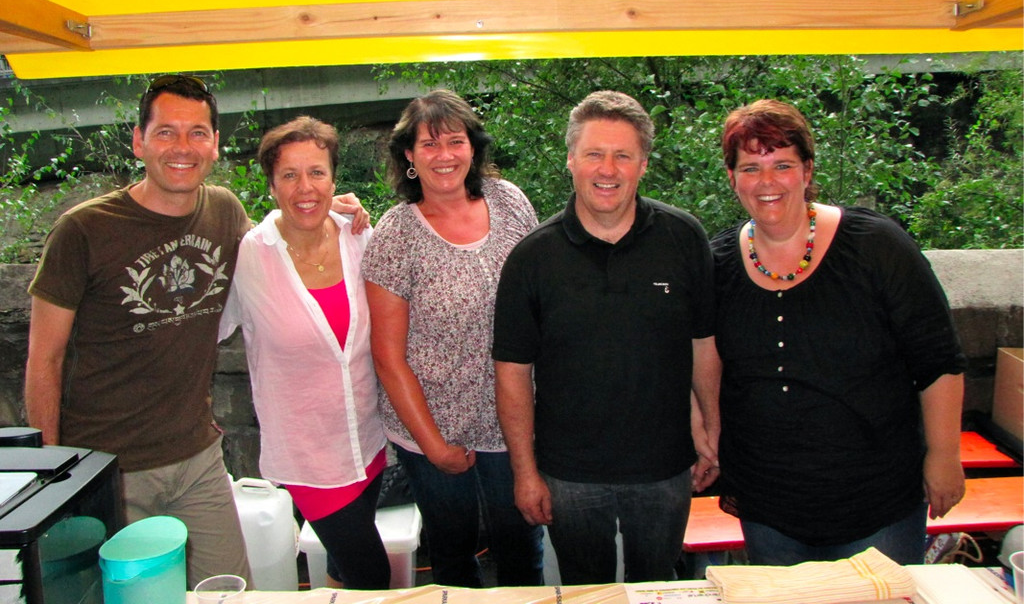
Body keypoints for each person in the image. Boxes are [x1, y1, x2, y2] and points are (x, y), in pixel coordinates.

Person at [23, 75, 367, 589]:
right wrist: (55, 478)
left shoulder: (224, 212)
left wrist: (330, 208)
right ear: (138, 141)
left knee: (230, 590)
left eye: (197, 133)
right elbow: (44, 360)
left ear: (215, 144)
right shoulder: (83, 230)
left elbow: (277, 246)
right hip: (107, 469)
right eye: (166, 132)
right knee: (126, 596)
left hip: (197, 457)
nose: (182, 147)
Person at [711, 98, 967, 566]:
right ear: (732, 178)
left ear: (807, 170)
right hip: (769, 504)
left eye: (782, 165)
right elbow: (701, 363)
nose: (767, 182)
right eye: (750, 168)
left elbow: (938, 359)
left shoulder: (875, 246)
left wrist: (944, 455)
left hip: (876, 500)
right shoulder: (718, 263)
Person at [492, 90, 721, 585]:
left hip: (665, 467)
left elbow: (704, 345)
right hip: (569, 473)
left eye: (623, 155)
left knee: (657, 585)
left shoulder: (684, 238)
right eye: (594, 153)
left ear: (644, 164)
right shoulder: (532, 258)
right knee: (585, 590)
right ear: (570, 160)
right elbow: (512, 373)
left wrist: (711, 427)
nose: (608, 169)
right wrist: (525, 472)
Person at [362, 89, 544, 587]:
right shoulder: (396, 234)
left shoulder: (509, 202)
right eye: (429, 144)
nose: (444, 155)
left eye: (455, 141)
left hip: (512, 419)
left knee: (522, 544)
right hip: (432, 427)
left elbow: (542, 300)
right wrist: (434, 446)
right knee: (453, 554)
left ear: (473, 147)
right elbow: (388, 357)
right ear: (409, 155)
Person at [219, 116, 389, 589]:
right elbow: (199, 332)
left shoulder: (359, 236)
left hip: (367, 439)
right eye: (289, 175)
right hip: (308, 457)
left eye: (316, 172)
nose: (305, 187)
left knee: (341, 569)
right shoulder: (250, 256)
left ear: (334, 179)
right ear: (271, 185)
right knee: (372, 576)